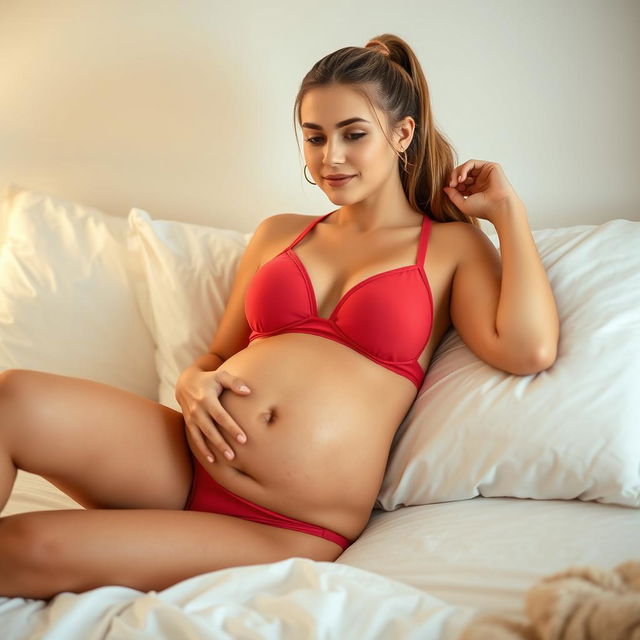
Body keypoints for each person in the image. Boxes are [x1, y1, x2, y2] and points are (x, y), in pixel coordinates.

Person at [0, 33, 559, 600]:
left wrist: (506, 211)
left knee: (21, 549)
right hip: (185, 462)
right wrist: (194, 382)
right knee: (11, 396)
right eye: (314, 137)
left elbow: (528, 348)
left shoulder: (449, 247)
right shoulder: (279, 234)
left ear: (402, 133)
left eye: (353, 135)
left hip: (281, 525)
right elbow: (216, 356)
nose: (330, 157)